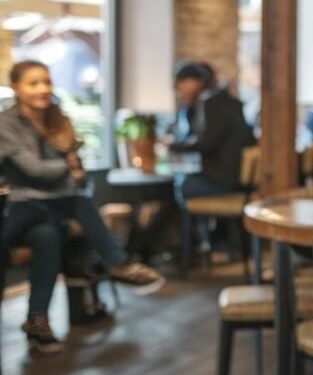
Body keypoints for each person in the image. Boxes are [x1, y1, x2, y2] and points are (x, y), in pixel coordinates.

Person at [0, 61, 165, 353]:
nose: (43, 89)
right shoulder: (6, 124)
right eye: (34, 83)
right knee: (77, 203)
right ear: (16, 86)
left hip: (49, 211)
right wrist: (67, 164)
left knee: (48, 236)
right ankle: (117, 262)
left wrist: (71, 166)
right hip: (20, 209)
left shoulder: (57, 118)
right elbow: (34, 170)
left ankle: (37, 321)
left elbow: (80, 171)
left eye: (47, 82)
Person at [169, 61, 254, 256]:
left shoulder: (211, 102)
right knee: (184, 183)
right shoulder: (224, 99)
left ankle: (195, 247)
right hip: (236, 178)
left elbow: (207, 143)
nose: (178, 89)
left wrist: (173, 146)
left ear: (193, 82)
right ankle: (209, 241)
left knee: (181, 186)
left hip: (225, 180)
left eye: (181, 82)